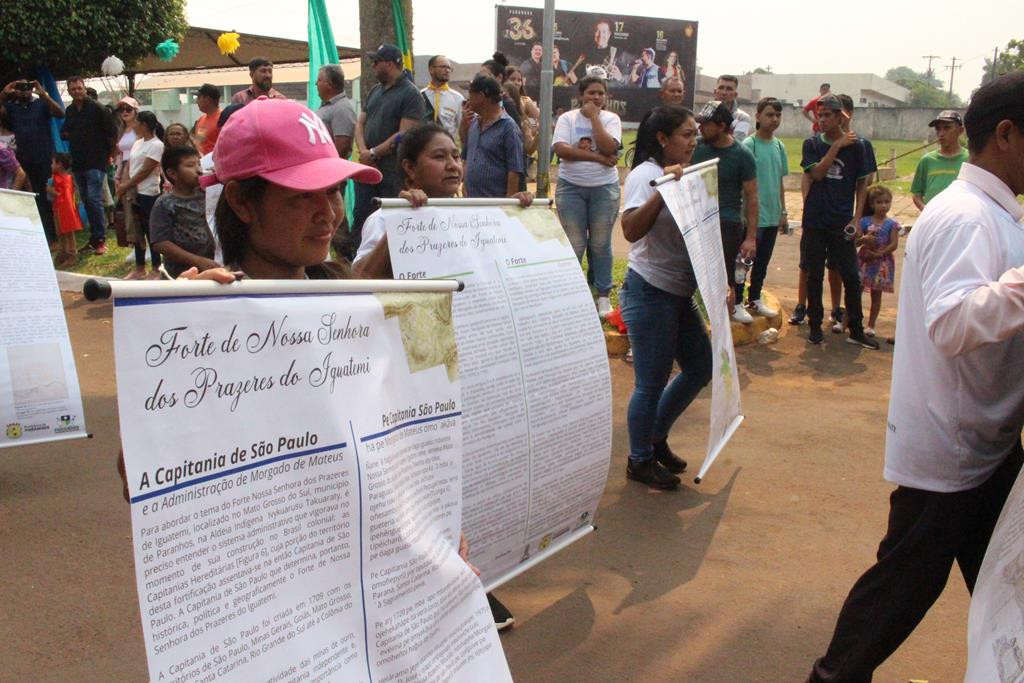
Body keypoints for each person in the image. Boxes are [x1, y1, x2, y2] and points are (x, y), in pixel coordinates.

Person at [807, 71, 1024, 683]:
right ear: (1006, 134)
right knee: (902, 586)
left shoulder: (995, 214)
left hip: (985, 443)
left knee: (1000, 582)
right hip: (954, 452)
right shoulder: (965, 217)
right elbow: (953, 323)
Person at [619, 105, 712, 490]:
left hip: (677, 292)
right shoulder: (645, 176)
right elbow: (630, 230)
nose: (694, 141)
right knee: (650, 383)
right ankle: (639, 460)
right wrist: (663, 191)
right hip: (650, 290)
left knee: (700, 367)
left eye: (695, 135)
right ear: (663, 139)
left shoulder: (686, 172)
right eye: (687, 135)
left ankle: (654, 437)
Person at [798, 94, 878, 349]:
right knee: (814, 273)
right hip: (815, 219)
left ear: (840, 117)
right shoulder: (812, 144)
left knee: (851, 275)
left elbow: (862, 183)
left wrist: (856, 218)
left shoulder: (859, 146)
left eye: (827, 115)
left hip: (842, 221)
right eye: (819, 115)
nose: (821, 120)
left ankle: (856, 328)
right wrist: (836, 146)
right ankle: (815, 326)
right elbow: (818, 173)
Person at [552, 75, 622, 318]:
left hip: (604, 188)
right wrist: (597, 159)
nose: (596, 98)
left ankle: (603, 295)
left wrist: (594, 118)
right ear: (581, 95)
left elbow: (609, 147)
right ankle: (571, 295)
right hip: (571, 188)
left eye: (601, 93)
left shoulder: (611, 119)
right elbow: (562, 150)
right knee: (574, 244)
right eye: (591, 93)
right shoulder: (567, 119)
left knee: (600, 244)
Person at [691, 101, 758, 323]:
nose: (700, 129)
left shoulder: (742, 155)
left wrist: (750, 238)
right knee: (692, 275)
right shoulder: (696, 147)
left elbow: (752, 198)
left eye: (706, 124)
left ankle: (722, 329)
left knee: (724, 279)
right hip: (696, 221)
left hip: (726, 223)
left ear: (721, 126)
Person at [352, 43, 425, 246]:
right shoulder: (375, 90)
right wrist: (364, 152)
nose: (373, 66)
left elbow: (404, 134)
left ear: (391, 64)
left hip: (390, 172)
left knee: (389, 220)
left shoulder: (411, 94)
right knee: (362, 217)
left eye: (377, 61)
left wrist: (374, 153)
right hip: (367, 168)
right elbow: (360, 122)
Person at [2, 78, 65, 246]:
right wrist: (4, 94)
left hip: (44, 158)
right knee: (31, 199)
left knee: (48, 197)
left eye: (27, 87)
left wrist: (43, 94)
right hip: (22, 161)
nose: (24, 90)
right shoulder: (11, 107)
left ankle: (55, 238)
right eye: (20, 87)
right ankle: (36, 236)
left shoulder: (41, 104)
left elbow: (60, 113)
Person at [742, 97, 789, 317]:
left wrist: (783, 211)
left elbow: (779, 181)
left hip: (772, 214)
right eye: (770, 114)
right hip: (754, 216)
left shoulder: (779, 146)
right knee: (744, 261)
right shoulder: (749, 145)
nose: (774, 119)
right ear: (758, 116)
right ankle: (737, 301)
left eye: (778, 115)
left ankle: (755, 299)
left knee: (763, 261)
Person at [60, 75, 118, 254]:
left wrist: (110, 155)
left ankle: (100, 239)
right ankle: (94, 238)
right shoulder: (70, 111)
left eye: (80, 88)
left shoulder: (97, 109)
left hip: (96, 161)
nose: (77, 91)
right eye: (73, 89)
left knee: (94, 199)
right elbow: (64, 132)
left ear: (85, 89)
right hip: (78, 162)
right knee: (86, 200)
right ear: (69, 91)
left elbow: (112, 133)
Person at [150, 145, 219, 278]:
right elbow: (160, 243)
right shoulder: (165, 203)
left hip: (212, 267)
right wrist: (197, 261)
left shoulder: (208, 196)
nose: (199, 170)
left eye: (199, 164)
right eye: (190, 165)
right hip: (178, 274)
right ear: (172, 174)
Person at [115, 110, 164, 280]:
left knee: (151, 231)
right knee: (137, 230)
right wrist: (124, 185)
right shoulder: (138, 143)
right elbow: (130, 166)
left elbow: (146, 170)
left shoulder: (156, 145)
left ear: (143, 124)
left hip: (148, 193)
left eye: (137, 122)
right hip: (133, 192)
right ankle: (140, 266)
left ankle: (157, 267)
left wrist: (125, 185)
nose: (134, 125)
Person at [462, 75, 525, 199]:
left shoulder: (508, 127)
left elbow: (515, 170)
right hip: (472, 203)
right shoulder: (474, 123)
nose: (468, 99)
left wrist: (509, 206)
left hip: (495, 207)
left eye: (470, 95)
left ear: (480, 96)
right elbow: (466, 158)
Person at [856, 185, 899, 337]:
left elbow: (894, 244)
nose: (884, 205)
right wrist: (864, 239)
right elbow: (855, 242)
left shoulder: (892, 224)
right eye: (880, 202)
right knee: (856, 291)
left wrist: (879, 253)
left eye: (887, 202)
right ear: (872, 204)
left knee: (876, 294)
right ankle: (849, 320)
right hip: (864, 261)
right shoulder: (864, 221)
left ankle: (871, 324)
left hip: (882, 263)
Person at [911, 110, 968, 210]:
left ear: (960, 131)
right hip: (934, 220)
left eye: (947, 128)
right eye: (938, 129)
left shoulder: (970, 159)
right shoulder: (927, 160)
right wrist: (926, 211)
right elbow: (917, 194)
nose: (941, 133)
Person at [315, 64, 357, 160]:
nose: (316, 83)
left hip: (329, 170)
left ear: (330, 84)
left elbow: (342, 147)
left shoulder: (342, 108)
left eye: (319, 80)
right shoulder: (327, 106)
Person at [48, 152, 83, 268]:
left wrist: (51, 190)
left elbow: (64, 195)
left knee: (68, 232)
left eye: (53, 163)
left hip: (65, 209)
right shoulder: (55, 178)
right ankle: (62, 253)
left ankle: (72, 253)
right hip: (58, 208)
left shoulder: (66, 179)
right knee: (60, 232)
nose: (51, 165)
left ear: (60, 165)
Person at [421, 56, 464, 141]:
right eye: (443, 67)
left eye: (449, 68)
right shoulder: (419, 96)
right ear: (431, 70)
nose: (447, 70)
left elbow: (462, 129)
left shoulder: (458, 98)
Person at [714, 75, 752, 141]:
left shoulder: (742, 118)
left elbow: (736, 144)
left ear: (735, 95)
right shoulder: (705, 113)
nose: (724, 92)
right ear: (715, 92)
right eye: (721, 88)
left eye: (729, 89)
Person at [193, 83, 222, 155]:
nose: (196, 101)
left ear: (208, 99)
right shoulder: (201, 119)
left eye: (199, 97)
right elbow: (199, 141)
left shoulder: (223, 119)